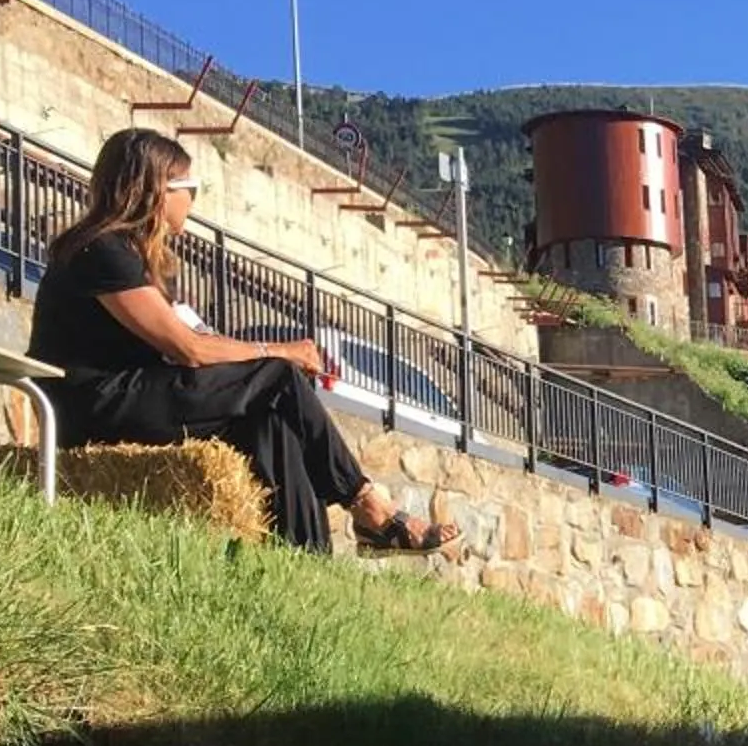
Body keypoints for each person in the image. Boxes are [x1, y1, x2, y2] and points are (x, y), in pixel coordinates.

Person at [27, 128, 458, 555]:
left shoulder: (133, 258)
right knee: (278, 377)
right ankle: (369, 508)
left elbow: (191, 344)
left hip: (128, 394)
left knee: (267, 417)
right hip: (89, 405)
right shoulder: (101, 251)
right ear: (157, 190)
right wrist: (279, 351)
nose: (194, 199)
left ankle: (306, 559)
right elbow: (188, 348)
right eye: (190, 188)